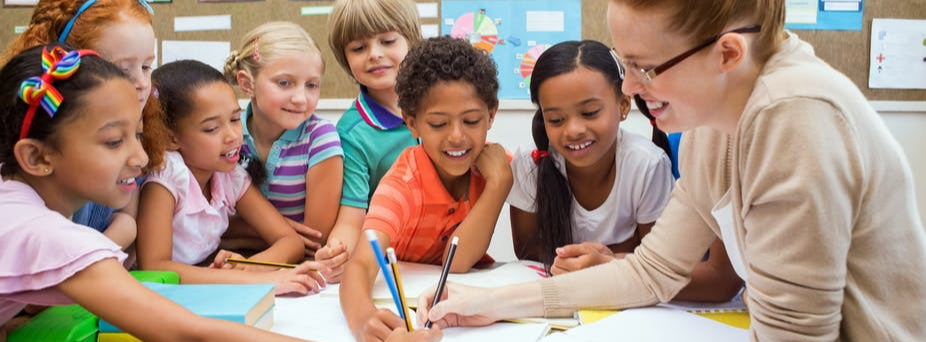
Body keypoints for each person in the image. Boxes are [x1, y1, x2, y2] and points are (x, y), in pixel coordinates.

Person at [415, 0, 926, 341]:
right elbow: (652, 270)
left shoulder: (794, 116)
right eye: (626, 63)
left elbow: (796, 331)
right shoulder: (715, 115)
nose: (631, 88)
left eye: (647, 68)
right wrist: (498, 302)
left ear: (727, 53)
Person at [0, 43, 446, 342]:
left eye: (138, 135)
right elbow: (187, 330)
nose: (140, 158)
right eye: (114, 142)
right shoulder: (37, 227)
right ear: (37, 157)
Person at [511, 39, 742, 302]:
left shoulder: (650, 163)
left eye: (589, 112)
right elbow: (527, 248)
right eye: (555, 119)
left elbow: (681, 266)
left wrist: (609, 265)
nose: (573, 130)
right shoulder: (533, 161)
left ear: (623, 105)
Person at [340, 36, 510, 342]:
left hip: (464, 313)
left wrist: (499, 184)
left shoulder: (498, 167)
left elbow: (456, 264)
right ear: (412, 123)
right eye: (438, 124)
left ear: (491, 116)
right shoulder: (404, 183)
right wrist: (363, 320)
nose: (457, 137)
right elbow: (361, 264)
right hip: (412, 310)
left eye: (471, 121)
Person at [135, 60, 325, 296]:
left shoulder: (228, 174)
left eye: (235, 119)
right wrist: (250, 281)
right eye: (212, 128)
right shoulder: (166, 177)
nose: (233, 136)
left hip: (203, 291)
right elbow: (154, 267)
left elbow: (290, 241)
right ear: (171, 139)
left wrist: (251, 267)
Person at [0, 0, 169, 253]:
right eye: (121, 70)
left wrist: (97, 253)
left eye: (146, 67)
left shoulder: (136, 131)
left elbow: (127, 218)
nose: (142, 83)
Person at [222, 22, 344, 267]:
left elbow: (312, 239)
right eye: (284, 83)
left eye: (311, 85)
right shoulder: (226, 135)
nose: (300, 99)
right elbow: (211, 228)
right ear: (247, 84)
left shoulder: (320, 138)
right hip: (223, 263)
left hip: (297, 269)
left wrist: (242, 232)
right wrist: (282, 231)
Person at [321, 0, 423, 283]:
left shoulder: (438, 105)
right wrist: (337, 252)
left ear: (411, 40)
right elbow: (352, 217)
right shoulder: (351, 134)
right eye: (358, 48)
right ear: (345, 58)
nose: (374, 54)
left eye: (387, 40)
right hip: (395, 264)